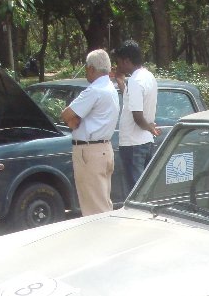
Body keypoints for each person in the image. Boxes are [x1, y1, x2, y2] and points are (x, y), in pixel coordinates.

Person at [61, 49, 119, 215]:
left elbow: (66, 115)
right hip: (104, 149)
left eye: (86, 68)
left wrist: (74, 119)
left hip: (89, 151)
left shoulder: (94, 90)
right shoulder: (110, 88)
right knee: (102, 203)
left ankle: (101, 240)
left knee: (94, 209)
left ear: (92, 69)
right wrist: (74, 119)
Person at [113, 40, 159, 193]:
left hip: (133, 144)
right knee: (145, 191)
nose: (118, 66)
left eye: (119, 62)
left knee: (135, 193)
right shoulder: (148, 76)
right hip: (145, 141)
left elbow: (137, 117)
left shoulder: (135, 81)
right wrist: (120, 80)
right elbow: (130, 99)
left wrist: (149, 127)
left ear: (127, 61)